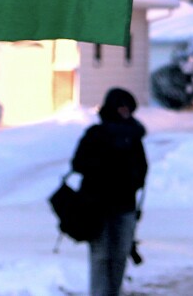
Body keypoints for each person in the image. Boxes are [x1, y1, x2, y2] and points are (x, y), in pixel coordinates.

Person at [70, 87, 147, 296]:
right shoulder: (96, 134)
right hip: (98, 207)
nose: (125, 111)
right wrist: (105, 170)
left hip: (125, 206)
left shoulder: (133, 137)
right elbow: (78, 163)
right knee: (101, 255)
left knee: (120, 255)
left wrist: (129, 180)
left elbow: (142, 169)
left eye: (128, 107)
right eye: (121, 106)